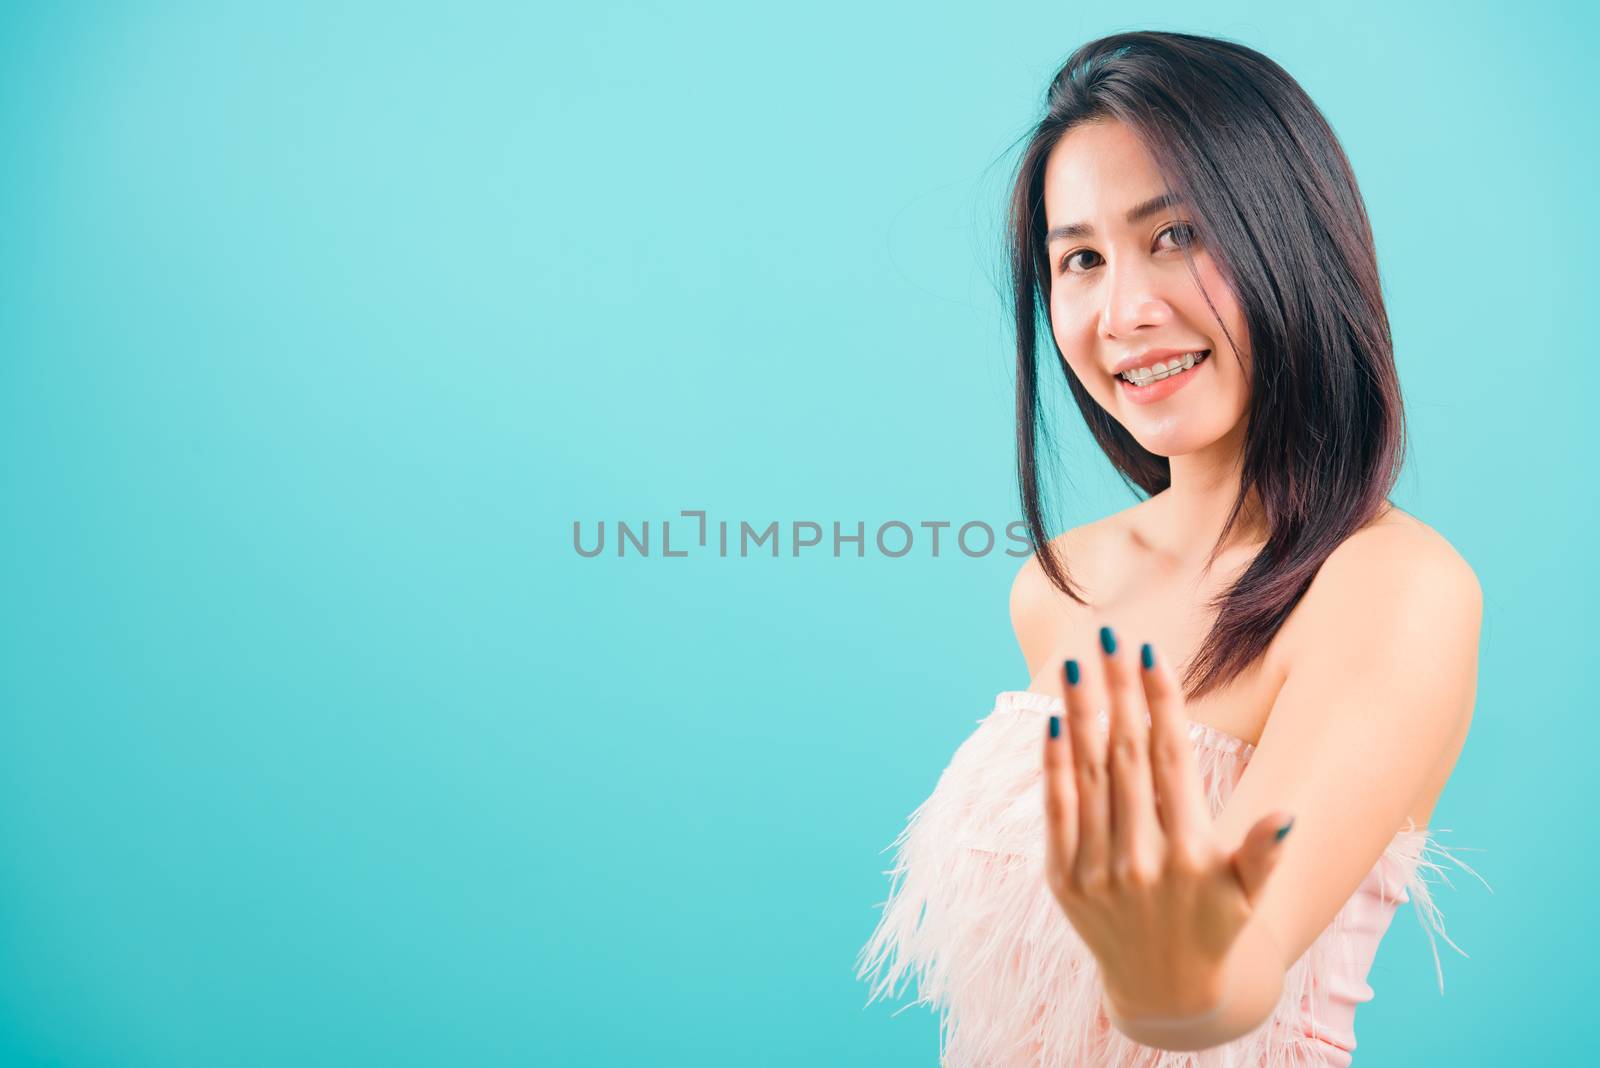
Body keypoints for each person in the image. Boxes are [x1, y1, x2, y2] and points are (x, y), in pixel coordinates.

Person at [857, 30, 1486, 1067]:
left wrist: (1171, 981)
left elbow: (1237, 966)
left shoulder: (1388, 587)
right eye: (1081, 260)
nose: (1124, 313)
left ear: (1291, 239)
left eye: (1176, 236)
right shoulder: (1057, 590)